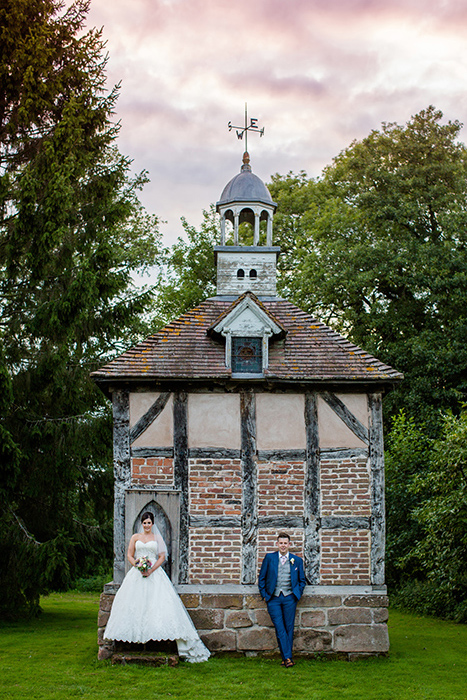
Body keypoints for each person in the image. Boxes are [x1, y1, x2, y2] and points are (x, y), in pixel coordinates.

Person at [104, 511, 210, 663]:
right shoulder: (135, 537)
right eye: (144, 523)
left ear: (152, 524)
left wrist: (151, 569)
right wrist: (138, 566)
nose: (147, 525)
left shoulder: (157, 538)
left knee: (159, 604)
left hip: (154, 572)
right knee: (133, 603)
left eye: (149, 523)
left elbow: (161, 556)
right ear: (142, 523)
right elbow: (129, 555)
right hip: (138, 573)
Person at [258, 532, 306, 668]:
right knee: (279, 627)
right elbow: (262, 578)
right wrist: (264, 595)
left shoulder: (296, 561)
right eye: (281, 543)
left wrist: (297, 594)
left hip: (290, 598)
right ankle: (288, 657)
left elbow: (302, 581)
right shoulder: (269, 558)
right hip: (273, 598)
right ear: (277, 544)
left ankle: (285, 658)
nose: (283, 545)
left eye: (285, 543)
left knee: (289, 627)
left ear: (289, 544)